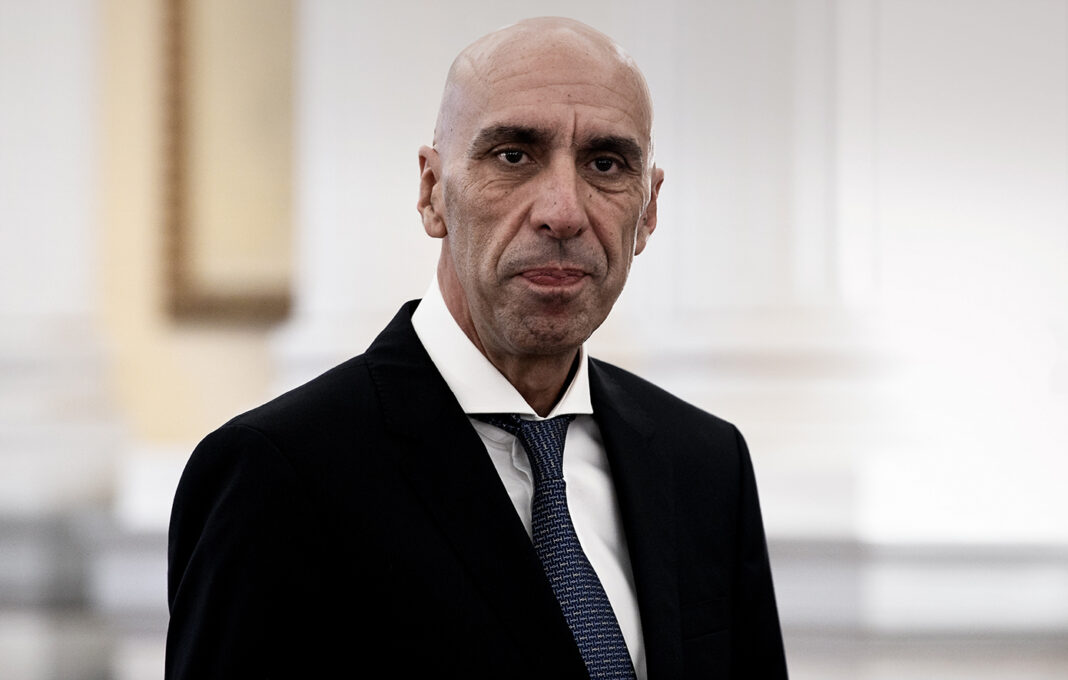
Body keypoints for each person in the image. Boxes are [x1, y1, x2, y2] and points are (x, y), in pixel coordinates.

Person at [166, 17, 787, 680]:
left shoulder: (705, 464)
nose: (563, 212)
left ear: (649, 211)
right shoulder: (277, 472)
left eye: (605, 164)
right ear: (432, 192)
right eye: (513, 156)